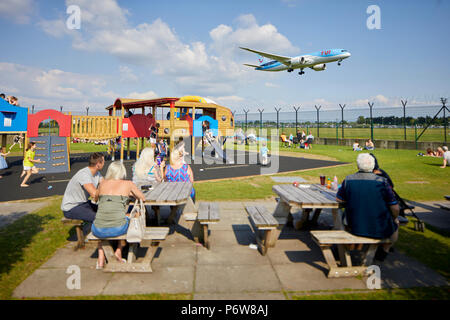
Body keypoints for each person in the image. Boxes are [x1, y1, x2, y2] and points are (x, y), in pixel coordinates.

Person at [336, 153, 400, 262]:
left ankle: (349, 250)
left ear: (357, 166)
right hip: (379, 227)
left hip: (354, 226)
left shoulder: (348, 180)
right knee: (396, 223)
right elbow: (395, 208)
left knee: (343, 218)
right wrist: (394, 217)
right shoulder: (382, 182)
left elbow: (339, 200)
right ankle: (385, 250)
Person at [91, 161, 146, 269]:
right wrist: (128, 193)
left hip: (97, 228)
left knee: (103, 221)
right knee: (130, 216)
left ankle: (101, 259)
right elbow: (142, 198)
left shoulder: (102, 183)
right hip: (118, 228)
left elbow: (96, 198)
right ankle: (119, 251)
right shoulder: (128, 184)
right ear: (122, 172)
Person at [61, 153, 105, 222]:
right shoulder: (84, 174)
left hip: (83, 203)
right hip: (72, 208)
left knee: (106, 210)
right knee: (100, 218)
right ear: (98, 164)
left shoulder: (97, 173)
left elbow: (105, 184)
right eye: (103, 162)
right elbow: (94, 194)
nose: (104, 164)